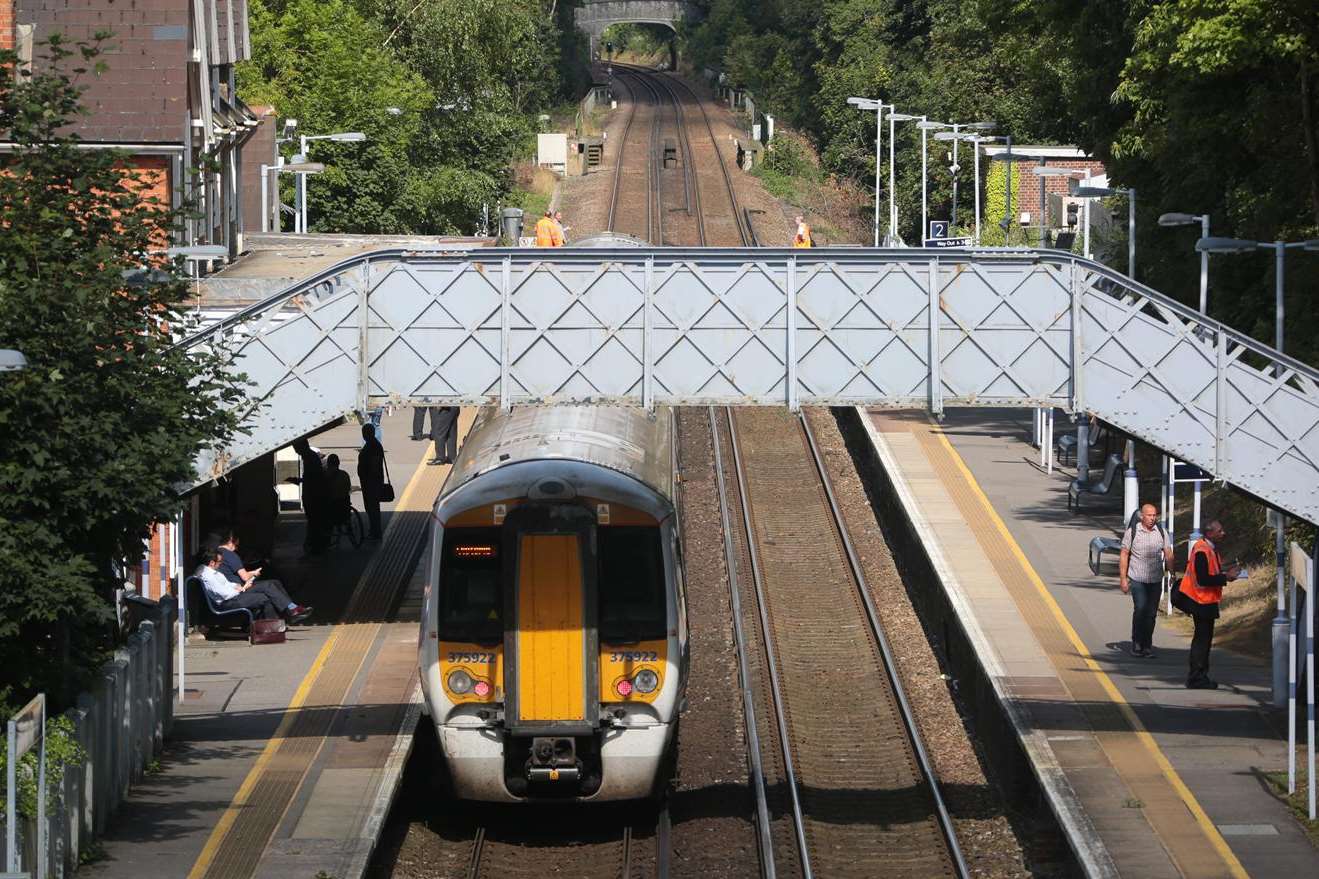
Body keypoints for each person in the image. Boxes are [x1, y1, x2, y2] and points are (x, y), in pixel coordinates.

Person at [1173, 520, 1242, 689]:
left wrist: (1226, 573)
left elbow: (1212, 573)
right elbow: (1203, 579)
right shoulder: (1202, 550)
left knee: (1204, 640)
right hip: (1200, 600)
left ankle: (1199, 675)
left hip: (1206, 600)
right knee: (1202, 641)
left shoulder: (1210, 549)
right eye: (1220, 531)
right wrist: (1226, 577)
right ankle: (1197, 677)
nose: (1223, 533)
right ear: (1210, 533)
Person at [195, 544, 312, 624]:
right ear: (211, 562)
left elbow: (225, 585)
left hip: (235, 593)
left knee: (271, 584)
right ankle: (278, 622)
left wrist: (235, 586)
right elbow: (223, 594)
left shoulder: (210, 571)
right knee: (266, 595)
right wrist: (241, 589)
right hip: (230, 601)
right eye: (219, 562)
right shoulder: (208, 576)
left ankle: (290, 611)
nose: (220, 564)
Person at [1118, 504, 1173, 657]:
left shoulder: (1161, 532)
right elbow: (1124, 554)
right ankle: (1136, 642)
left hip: (1155, 579)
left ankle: (1147, 645)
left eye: (1154, 515)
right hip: (1138, 578)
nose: (1152, 518)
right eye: (1149, 515)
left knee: (1151, 613)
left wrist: (1172, 573)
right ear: (1142, 516)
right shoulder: (1132, 532)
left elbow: (1168, 553)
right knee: (1140, 609)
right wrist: (1123, 579)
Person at [291, 438, 329, 554]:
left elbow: (312, 477)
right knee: (314, 520)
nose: (296, 451)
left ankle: (315, 545)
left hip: (312, 494)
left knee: (313, 520)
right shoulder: (311, 456)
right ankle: (315, 544)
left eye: (296, 449)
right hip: (314, 493)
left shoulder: (309, 458)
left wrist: (300, 480)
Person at [357, 423, 386, 540]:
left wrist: (370, 479)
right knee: (372, 507)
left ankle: (375, 531)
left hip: (371, 482)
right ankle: (374, 530)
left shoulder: (372, 447)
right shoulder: (375, 445)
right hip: (372, 481)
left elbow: (373, 465)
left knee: (372, 507)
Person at [325, 454, 353, 526]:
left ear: (328, 464)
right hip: (344, 503)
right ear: (338, 463)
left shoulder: (325, 475)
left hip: (331, 504)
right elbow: (348, 488)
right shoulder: (344, 474)